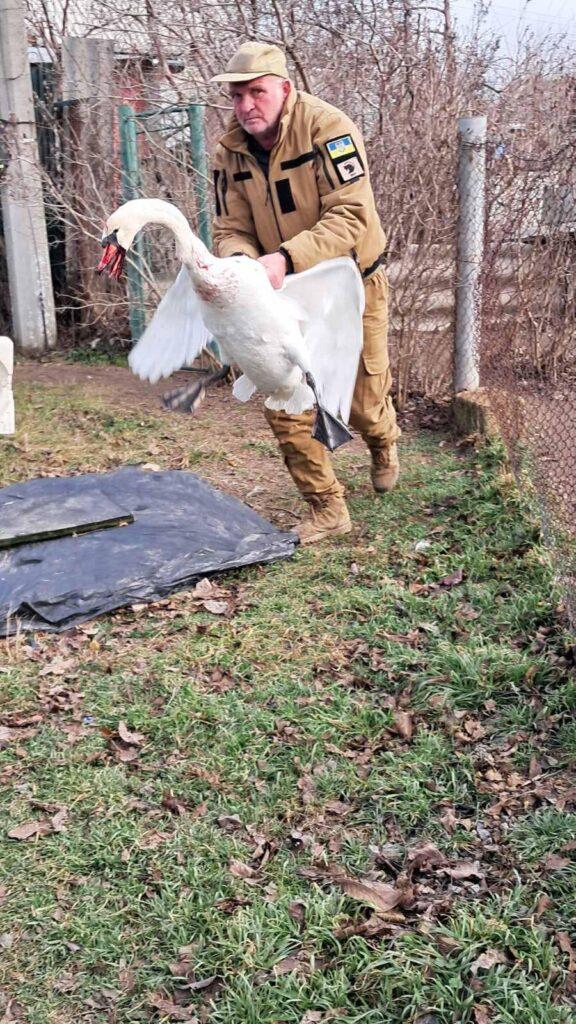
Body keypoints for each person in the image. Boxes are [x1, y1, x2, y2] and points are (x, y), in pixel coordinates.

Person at [210, 41, 400, 544]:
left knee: (361, 403)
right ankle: (326, 506)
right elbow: (229, 225)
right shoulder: (229, 149)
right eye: (236, 95)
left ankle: (383, 440)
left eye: (257, 92)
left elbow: (351, 213)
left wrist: (287, 256)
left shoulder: (327, 128)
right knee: (285, 395)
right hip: (283, 295)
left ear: (285, 89)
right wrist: (243, 266)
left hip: (350, 283)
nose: (246, 105)